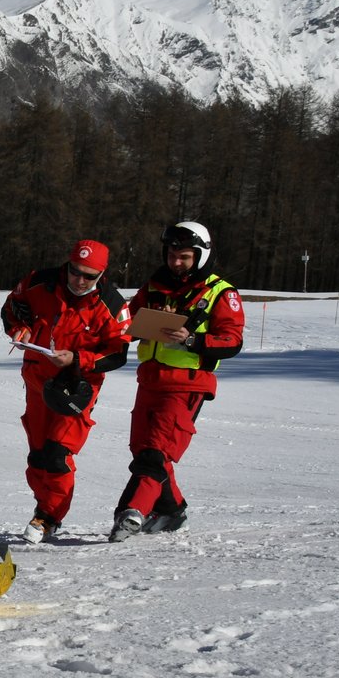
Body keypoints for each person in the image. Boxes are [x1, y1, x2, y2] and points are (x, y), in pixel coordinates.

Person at [110, 221, 244, 541]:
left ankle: (131, 511)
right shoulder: (155, 287)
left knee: (155, 453)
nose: (176, 262)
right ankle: (171, 509)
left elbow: (232, 341)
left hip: (187, 383)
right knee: (143, 450)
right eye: (172, 255)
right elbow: (126, 319)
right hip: (150, 380)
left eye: (184, 256)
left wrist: (193, 340)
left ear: (200, 256)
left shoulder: (219, 292)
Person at [0, 239, 130, 543]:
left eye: (89, 276)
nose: (80, 280)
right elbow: (12, 308)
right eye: (75, 272)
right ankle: (43, 508)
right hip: (37, 379)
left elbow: (118, 354)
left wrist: (77, 359)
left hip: (77, 387)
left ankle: (48, 516)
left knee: (58, 454)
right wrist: (19, 328)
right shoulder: (39, 282)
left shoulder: (112, 304)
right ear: (67, 265)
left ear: (102, 275)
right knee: (38, 455)